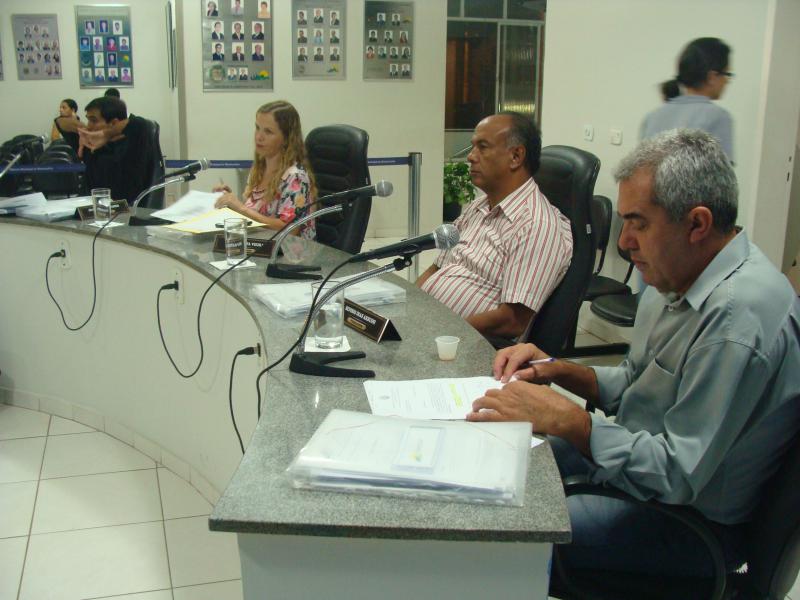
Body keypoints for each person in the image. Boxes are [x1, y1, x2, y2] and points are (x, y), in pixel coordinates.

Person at [468, 129, 800, 587]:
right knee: (491, 458)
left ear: (697, 224)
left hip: (688, 521)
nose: (624, 243)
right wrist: (557, 370)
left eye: (638, 223)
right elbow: (635, 382)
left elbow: (675, 475)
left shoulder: (735, 319)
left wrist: (572, 421)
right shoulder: (679, 275)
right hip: (637, 468)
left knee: (496, 531)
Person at [417, 112, 572, 339]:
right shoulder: (478, 206)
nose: (471, 156)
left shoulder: (536, 226)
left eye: (483, 147)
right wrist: (410, 308)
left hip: (464, 345)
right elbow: (436, 268)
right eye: (473, 147)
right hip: (427, 329)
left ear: (516, 156)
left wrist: (443, 332)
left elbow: (512, 321)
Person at [213, 101, 317, 238]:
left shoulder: (296, 177)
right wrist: (229, 201)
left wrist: (240, 208)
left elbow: (290, 230)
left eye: (268, 131)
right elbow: (255, 215)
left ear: (287, 138)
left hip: (288, 250)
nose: (259, 137)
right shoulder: (259, 170)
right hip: (260, 245)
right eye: (257, 128)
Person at [641, 38, 734, 161]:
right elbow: (722, 171)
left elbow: (641, 168)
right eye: (727, 74)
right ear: (712, 77)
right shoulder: (718, 117)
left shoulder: (652, 117)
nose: (727, 81)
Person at [74, 96, 151, 204]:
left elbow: (138, 122)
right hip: (95, 206)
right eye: (88, 120)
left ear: (114, 123)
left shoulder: (133, 140)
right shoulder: (92, 146)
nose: (89, 126)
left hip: (127, 208)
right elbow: (61, 122)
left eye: (93, 120)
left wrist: (106, 134)